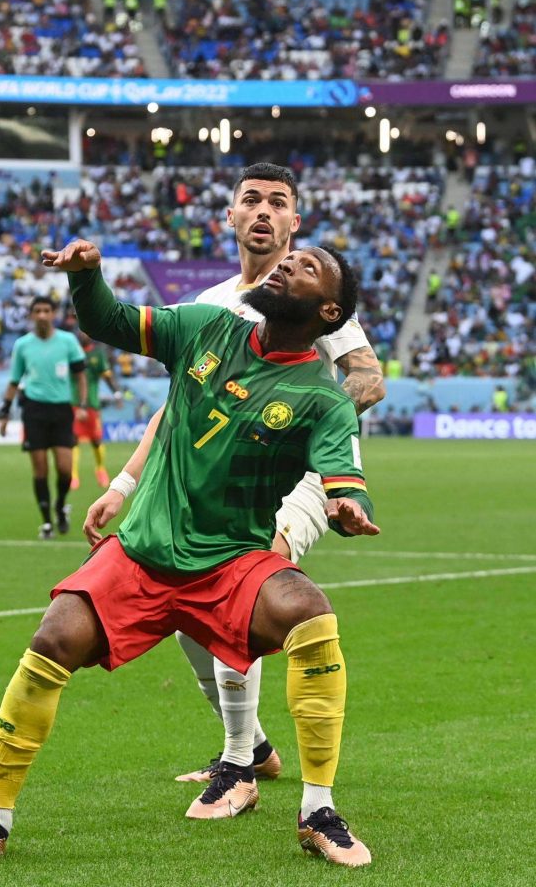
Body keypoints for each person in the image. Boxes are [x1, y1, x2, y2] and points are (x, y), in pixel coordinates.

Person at [0, 236, 379, 869]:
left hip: (232, 562)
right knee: (53, 639)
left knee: (310, 611)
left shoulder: (323, 397)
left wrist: (346, 508)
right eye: (290, 258)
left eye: (307, 267)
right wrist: (87, 277)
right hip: (142, 553)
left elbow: (342, 478)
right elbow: (108, 320)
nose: (287, 262)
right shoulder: (206, 326)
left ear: (330, 314)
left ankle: (317, 810)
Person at [84, 163, 385, 791]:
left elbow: (368, 377)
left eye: (278, 202)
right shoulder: (211, 307)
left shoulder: (311, 293)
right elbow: (177, 412)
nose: (264, 211)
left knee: (246, 574)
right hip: (204, 483)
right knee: (187, 608)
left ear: (294, 222)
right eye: (252, 200)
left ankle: (237, 765)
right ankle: (253, 746)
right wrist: (124, 485)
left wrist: (295, 421)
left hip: (296, 474)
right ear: (231, 216)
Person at [0, 296, 88, 540]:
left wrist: (81, 404)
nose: (41, 315)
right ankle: (47, 522)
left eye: (46, 311)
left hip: (61, 411)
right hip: (34, 411)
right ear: (31, 315)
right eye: (37, 311)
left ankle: (60, 506)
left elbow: (80, 376)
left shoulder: (68, 341)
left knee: (65, 469)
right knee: (40, 470)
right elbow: (14, 381)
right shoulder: (23, 345)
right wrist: (4, 413)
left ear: (54, 313)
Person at [70, 332, 123, 491]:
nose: (82, 334)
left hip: (92, 404)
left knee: (96, 441)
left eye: (85, 331)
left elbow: (107, 376)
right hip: (73, 403)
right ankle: (73, 475)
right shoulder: (71, 352)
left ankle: (100, 468)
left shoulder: (97, 353)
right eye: (79, 331)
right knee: (73, 440)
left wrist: (117, 393)